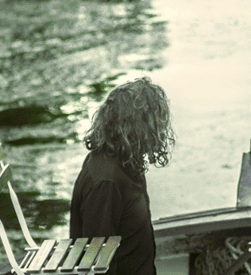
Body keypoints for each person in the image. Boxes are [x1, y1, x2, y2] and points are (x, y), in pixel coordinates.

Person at [70, 77, 174, 275]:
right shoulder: (105, 183)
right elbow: (97, 264)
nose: (160, 130)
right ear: (137, 128)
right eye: (155, 124)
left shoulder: (126, 160)